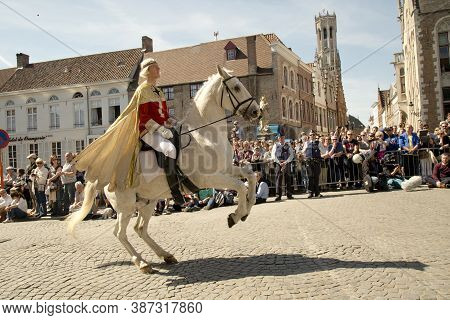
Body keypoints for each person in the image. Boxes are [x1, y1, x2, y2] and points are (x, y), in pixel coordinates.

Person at [73, 58, 186, 205]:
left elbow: (163, 115)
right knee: (169, 149)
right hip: (147, 131)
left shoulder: (158, 91)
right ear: (148, 71)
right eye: (155, 68)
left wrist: (170, 122)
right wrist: (160, 128)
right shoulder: (142, 90)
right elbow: (143, 116)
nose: (159, 70)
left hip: (162, 129)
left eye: (158, 67)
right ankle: (174, 191)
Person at [271, 133, 294, 201]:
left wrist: (285, 162)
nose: (281, 139)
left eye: (282, 137)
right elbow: (273, 155)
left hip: (286, 163)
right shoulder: (275, 145)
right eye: (280, 137)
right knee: (278, 179)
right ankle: (278, 195)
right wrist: (279, 162)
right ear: (278, 138)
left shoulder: (288, 145)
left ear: (284, 138)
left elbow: (291, 155)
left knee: (288, 179)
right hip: (279, 164)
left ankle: (289, 194)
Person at [302, 132, 323, 198]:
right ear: (309, 136)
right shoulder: (306, 143)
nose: (312, 136)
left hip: (316, 161)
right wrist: (301, 155)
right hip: (309, 162)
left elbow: (323, 150)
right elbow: (303, 151)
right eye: (310, 135)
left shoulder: (318, 142)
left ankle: (317, 193)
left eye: (313, 135)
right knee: (310, 177)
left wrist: (325, 155)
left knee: (316, 177)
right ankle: (310, 193)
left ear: (315, 135)